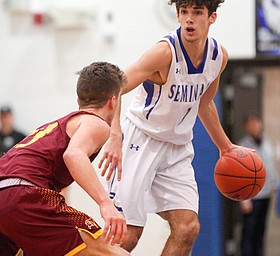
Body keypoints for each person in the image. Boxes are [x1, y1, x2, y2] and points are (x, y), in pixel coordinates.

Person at [98, 1, 245, 255]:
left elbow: (205, 104)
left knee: (188, 227)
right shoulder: (164, 52)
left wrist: (226, 147)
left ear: (212, 18)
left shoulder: (217, 56)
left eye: (197, 13)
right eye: (184, 12)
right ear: (177, 16)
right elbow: (115, 86)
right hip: (140, 140)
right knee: (129, 235)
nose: (189, 19)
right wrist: (114, 133)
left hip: (177, 148)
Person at [0, 62, 130, 256]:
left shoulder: (56, 126)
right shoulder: (96, 122)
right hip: (21, 194)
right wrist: (106, 203)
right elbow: (73, 154)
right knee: (107, 251)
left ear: (78, 100)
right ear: (113, 101)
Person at [238, 113, 278, 256]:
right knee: (249, 231)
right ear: (246, 127)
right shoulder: (243, 146)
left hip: (266, 194)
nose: (254, 126)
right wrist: (244, 199)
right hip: (251, 197)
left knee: (261, 230)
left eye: (256, 122)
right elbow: (239, 174)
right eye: (251, 123)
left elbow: (270, 165)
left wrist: (275, 184)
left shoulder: (267, 142)